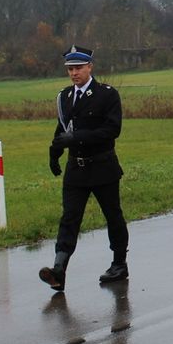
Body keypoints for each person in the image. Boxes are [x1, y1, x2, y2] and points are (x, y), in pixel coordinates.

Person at [40, 45, 129, 290]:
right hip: (76, 169)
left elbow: (112, 130)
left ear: (90, 67)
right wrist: (55, 152)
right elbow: (63, 128)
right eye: (70, 69)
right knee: (69, 218)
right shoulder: (65, 97)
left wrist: (77, 138)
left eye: (78, 68)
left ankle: (119, 263)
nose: (74, 73)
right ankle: (59, 269)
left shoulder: (107, 95)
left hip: (102, 166)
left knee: (113, 216)